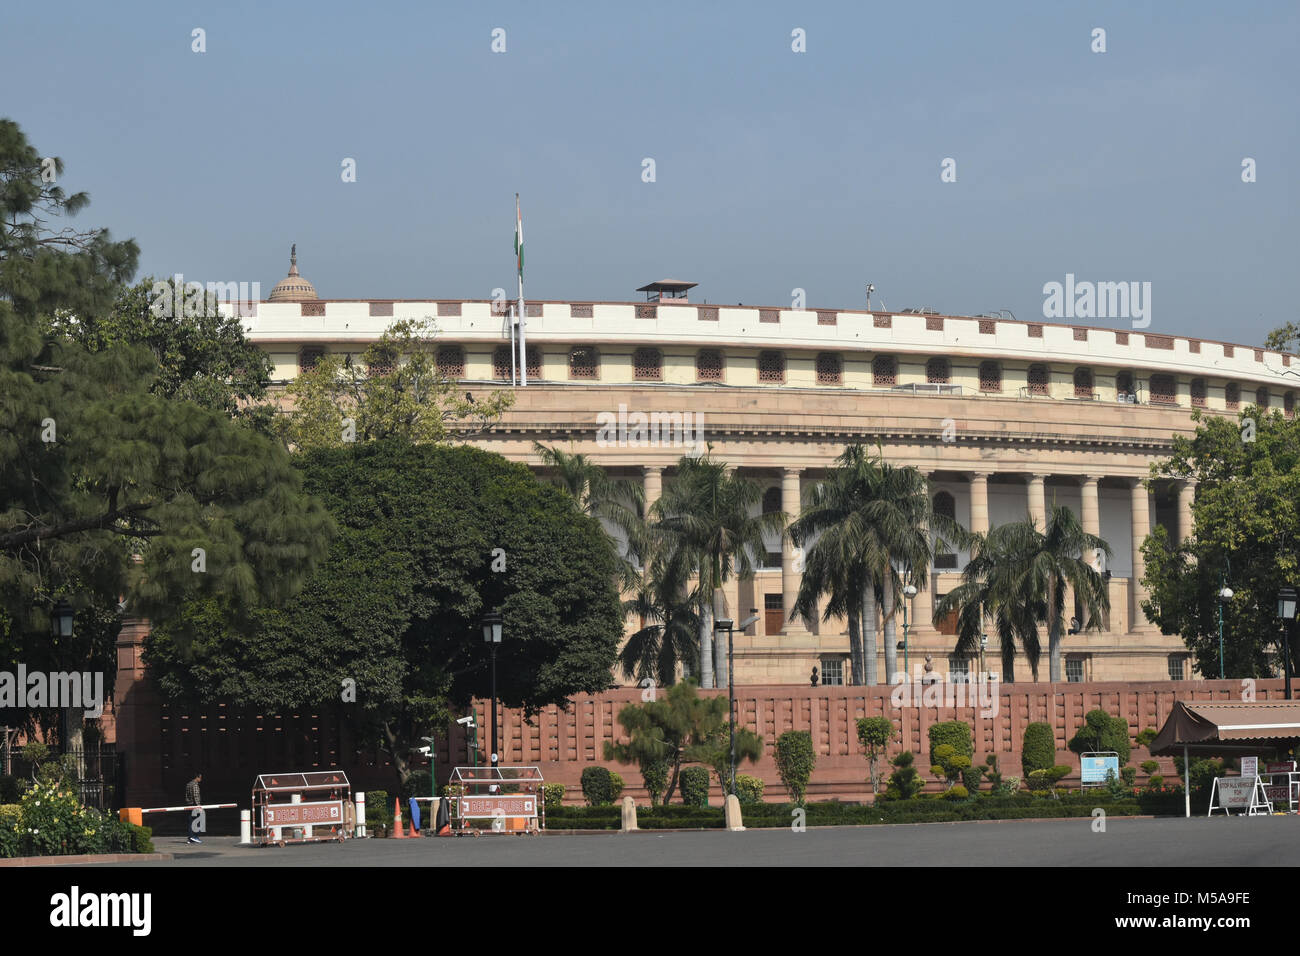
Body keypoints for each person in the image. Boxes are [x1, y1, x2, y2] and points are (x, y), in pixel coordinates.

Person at [185, 772, 203, 845]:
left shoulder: (188, 784)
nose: (201, 779)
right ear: (197, 777)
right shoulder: (195, 784)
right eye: (200, 777)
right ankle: (194, 836)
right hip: (195, 805)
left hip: (189, 804)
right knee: (198, 821)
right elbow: (195, 796)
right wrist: (198, 806)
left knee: (191, 821)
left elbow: (186, 796)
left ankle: (190, 838)